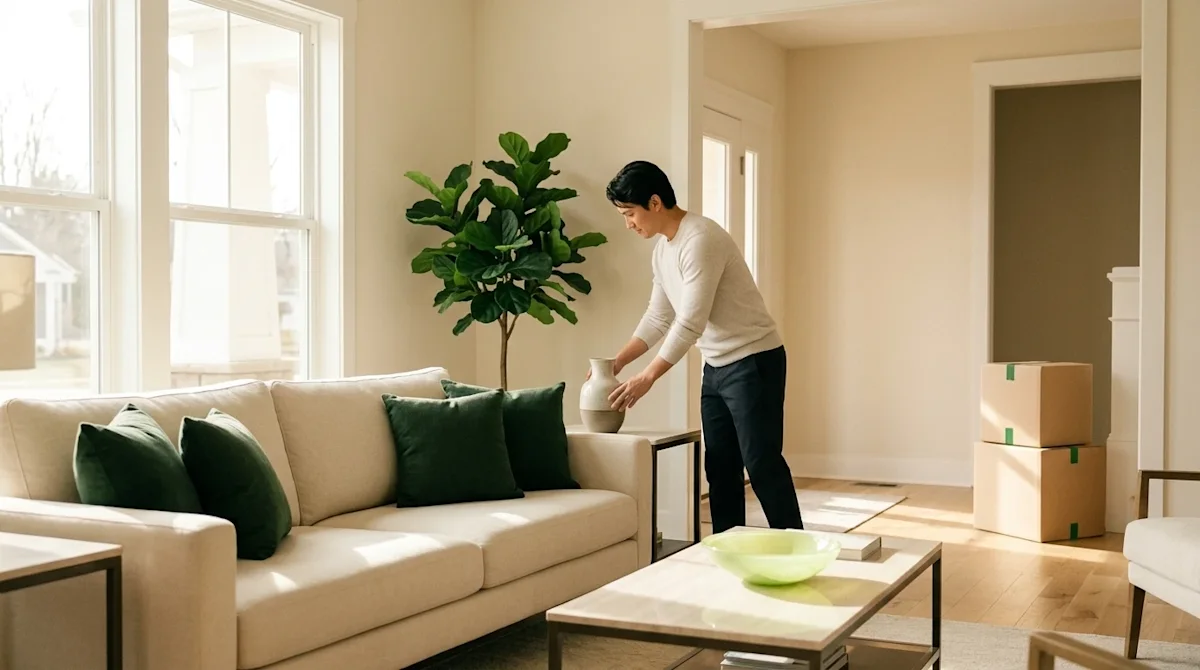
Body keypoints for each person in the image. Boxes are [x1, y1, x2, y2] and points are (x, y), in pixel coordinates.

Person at [600, 160, 803, 534]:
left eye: (630, 214)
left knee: (761, 464)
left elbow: (690, 321)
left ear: (655, 202)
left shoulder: (701, 239)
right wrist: (617, 362)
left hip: (754, 360)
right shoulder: (663, 251)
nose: (628, 223)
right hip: (716, 368)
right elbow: (659, 316)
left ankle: (795, 548)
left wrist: (648, 377)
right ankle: (727, 553)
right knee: (720, 468)